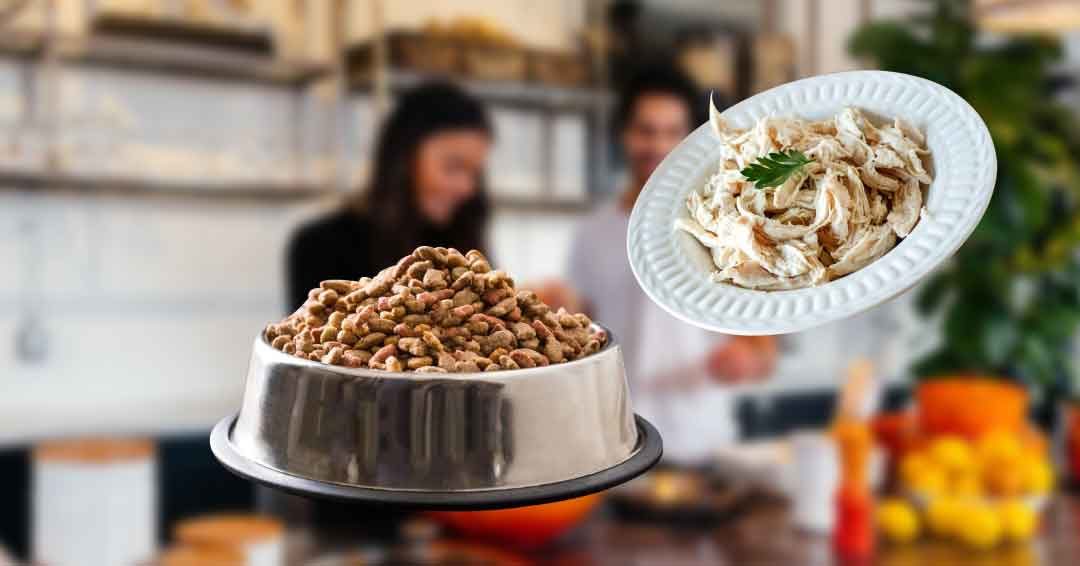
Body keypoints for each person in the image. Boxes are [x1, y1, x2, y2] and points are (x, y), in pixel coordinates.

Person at [558, 67, 777, 462]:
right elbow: (576, 340)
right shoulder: (591, 234)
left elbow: (763, 345)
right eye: (645, 130)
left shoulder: (729, 228)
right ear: (623, 135)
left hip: (701, 442)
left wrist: (748, 361)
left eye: (671, 131)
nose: (657, 144)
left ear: (691, 140)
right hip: (613, 445)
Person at [287, 81, 493, 310]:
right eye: (453, 166)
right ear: (402, 160)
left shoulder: (461, 238)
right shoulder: (320, 245)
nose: (467, 187)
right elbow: (305, 337)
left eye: (475, 172)